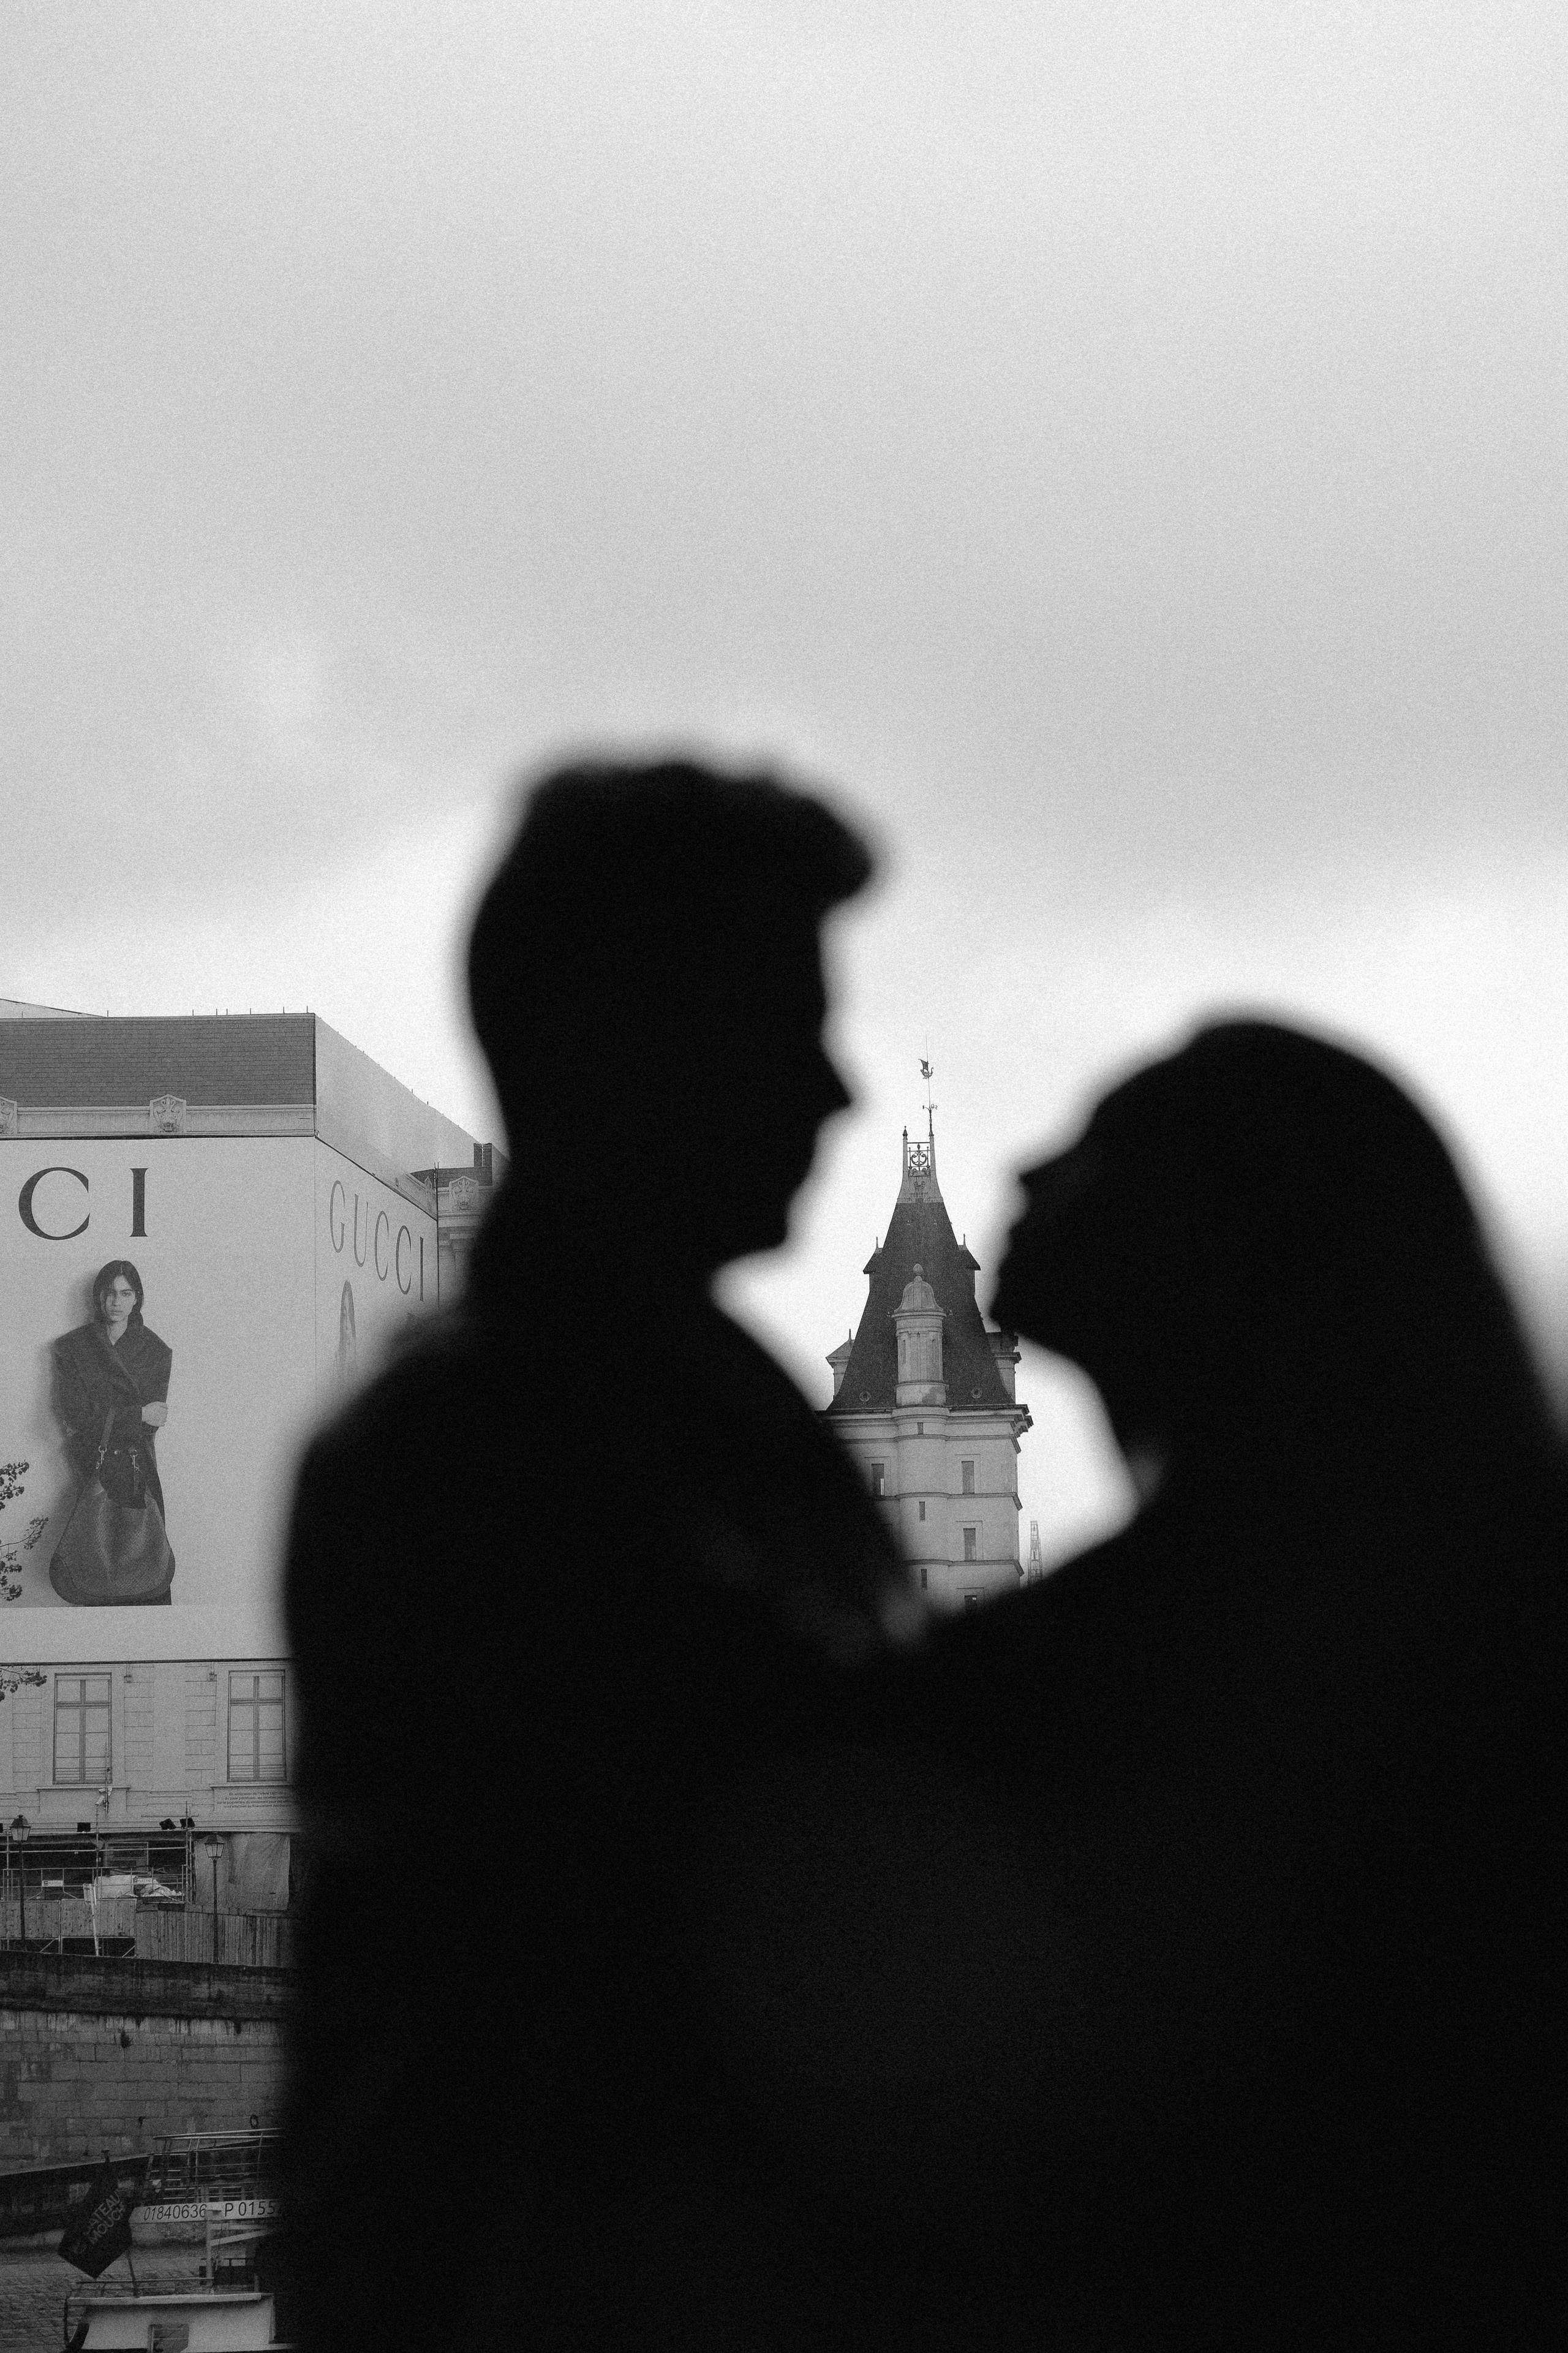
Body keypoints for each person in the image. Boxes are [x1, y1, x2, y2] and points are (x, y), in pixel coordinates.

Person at [699, 1019, 1565, 2347]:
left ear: (1248, 1240)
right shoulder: (1460, 1601)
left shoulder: (1076, 1679)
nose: (1038, 1166)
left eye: (1111, 1143)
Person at [279, 757, 917, 2351]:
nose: (832, 1089)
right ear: (622, 1041)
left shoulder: (586, 1416)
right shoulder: (504, 1451)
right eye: (783, 1021)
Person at [51, 1260, 175, 1603]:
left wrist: (120, 1419)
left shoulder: (156, 1351)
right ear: (98, 1297)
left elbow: (154, 1423)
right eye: (109, 1293)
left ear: (137, 1299)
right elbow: (76, 1416)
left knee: (144, 1562)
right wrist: (137, 1414)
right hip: (91, 1464)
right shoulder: (72, 1348)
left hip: (139, 1469)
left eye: (126, 1293)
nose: (116, 1302)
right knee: (92, 1559)